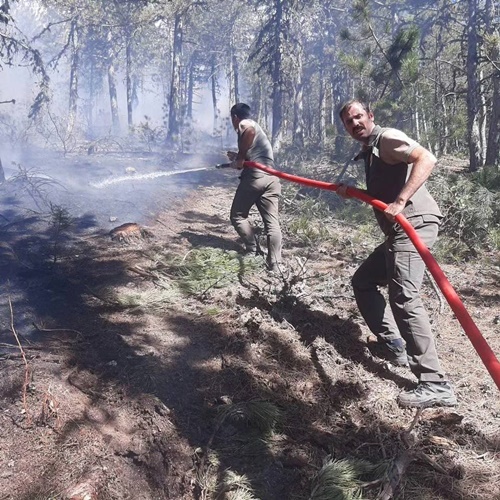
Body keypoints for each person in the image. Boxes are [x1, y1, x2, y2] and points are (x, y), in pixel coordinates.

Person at [337, 99, 457, 408]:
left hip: (414, 223)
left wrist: (402, 200)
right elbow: (380, 192)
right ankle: (393, 344)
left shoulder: (386, 138)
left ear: (370, 116)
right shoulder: (369, 152)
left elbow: (426, 158)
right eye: (349, 122)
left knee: (404, 297)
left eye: (358, 116)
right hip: (399, 230)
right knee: (363, 281)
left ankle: (434, 383)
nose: (355, 123)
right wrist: (350, 190)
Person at [226, 103, 282, 271]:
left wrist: (241, 157)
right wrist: (238, 157)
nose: (233, 122)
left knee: (237, 215)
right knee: (272, 223)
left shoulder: (245, 124)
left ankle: (252, 249)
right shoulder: (257, 128)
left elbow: (248, 131)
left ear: (235, 117)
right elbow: (253, 153)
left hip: (256, 177)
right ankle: (276, 264)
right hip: (272, 178)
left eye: (232, 119)